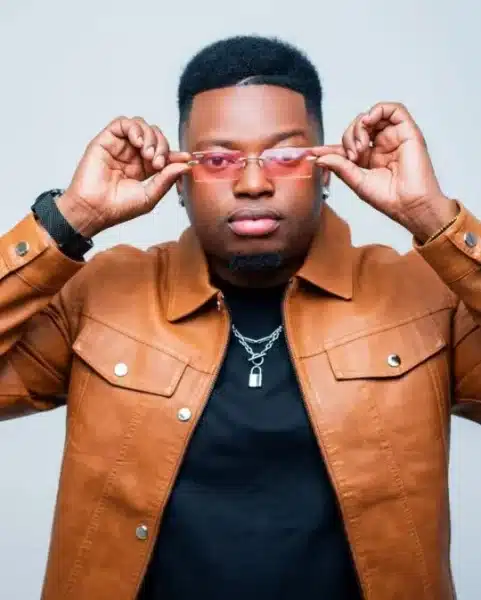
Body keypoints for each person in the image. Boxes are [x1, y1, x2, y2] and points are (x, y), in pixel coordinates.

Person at [0, 34, 479, 600]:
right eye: (217, 160)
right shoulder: (98, 297)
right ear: (178, 180)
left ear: (327, 171)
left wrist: (433, 217)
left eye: (286, 156)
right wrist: (71, 218)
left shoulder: (425, 298)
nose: (253, 184)